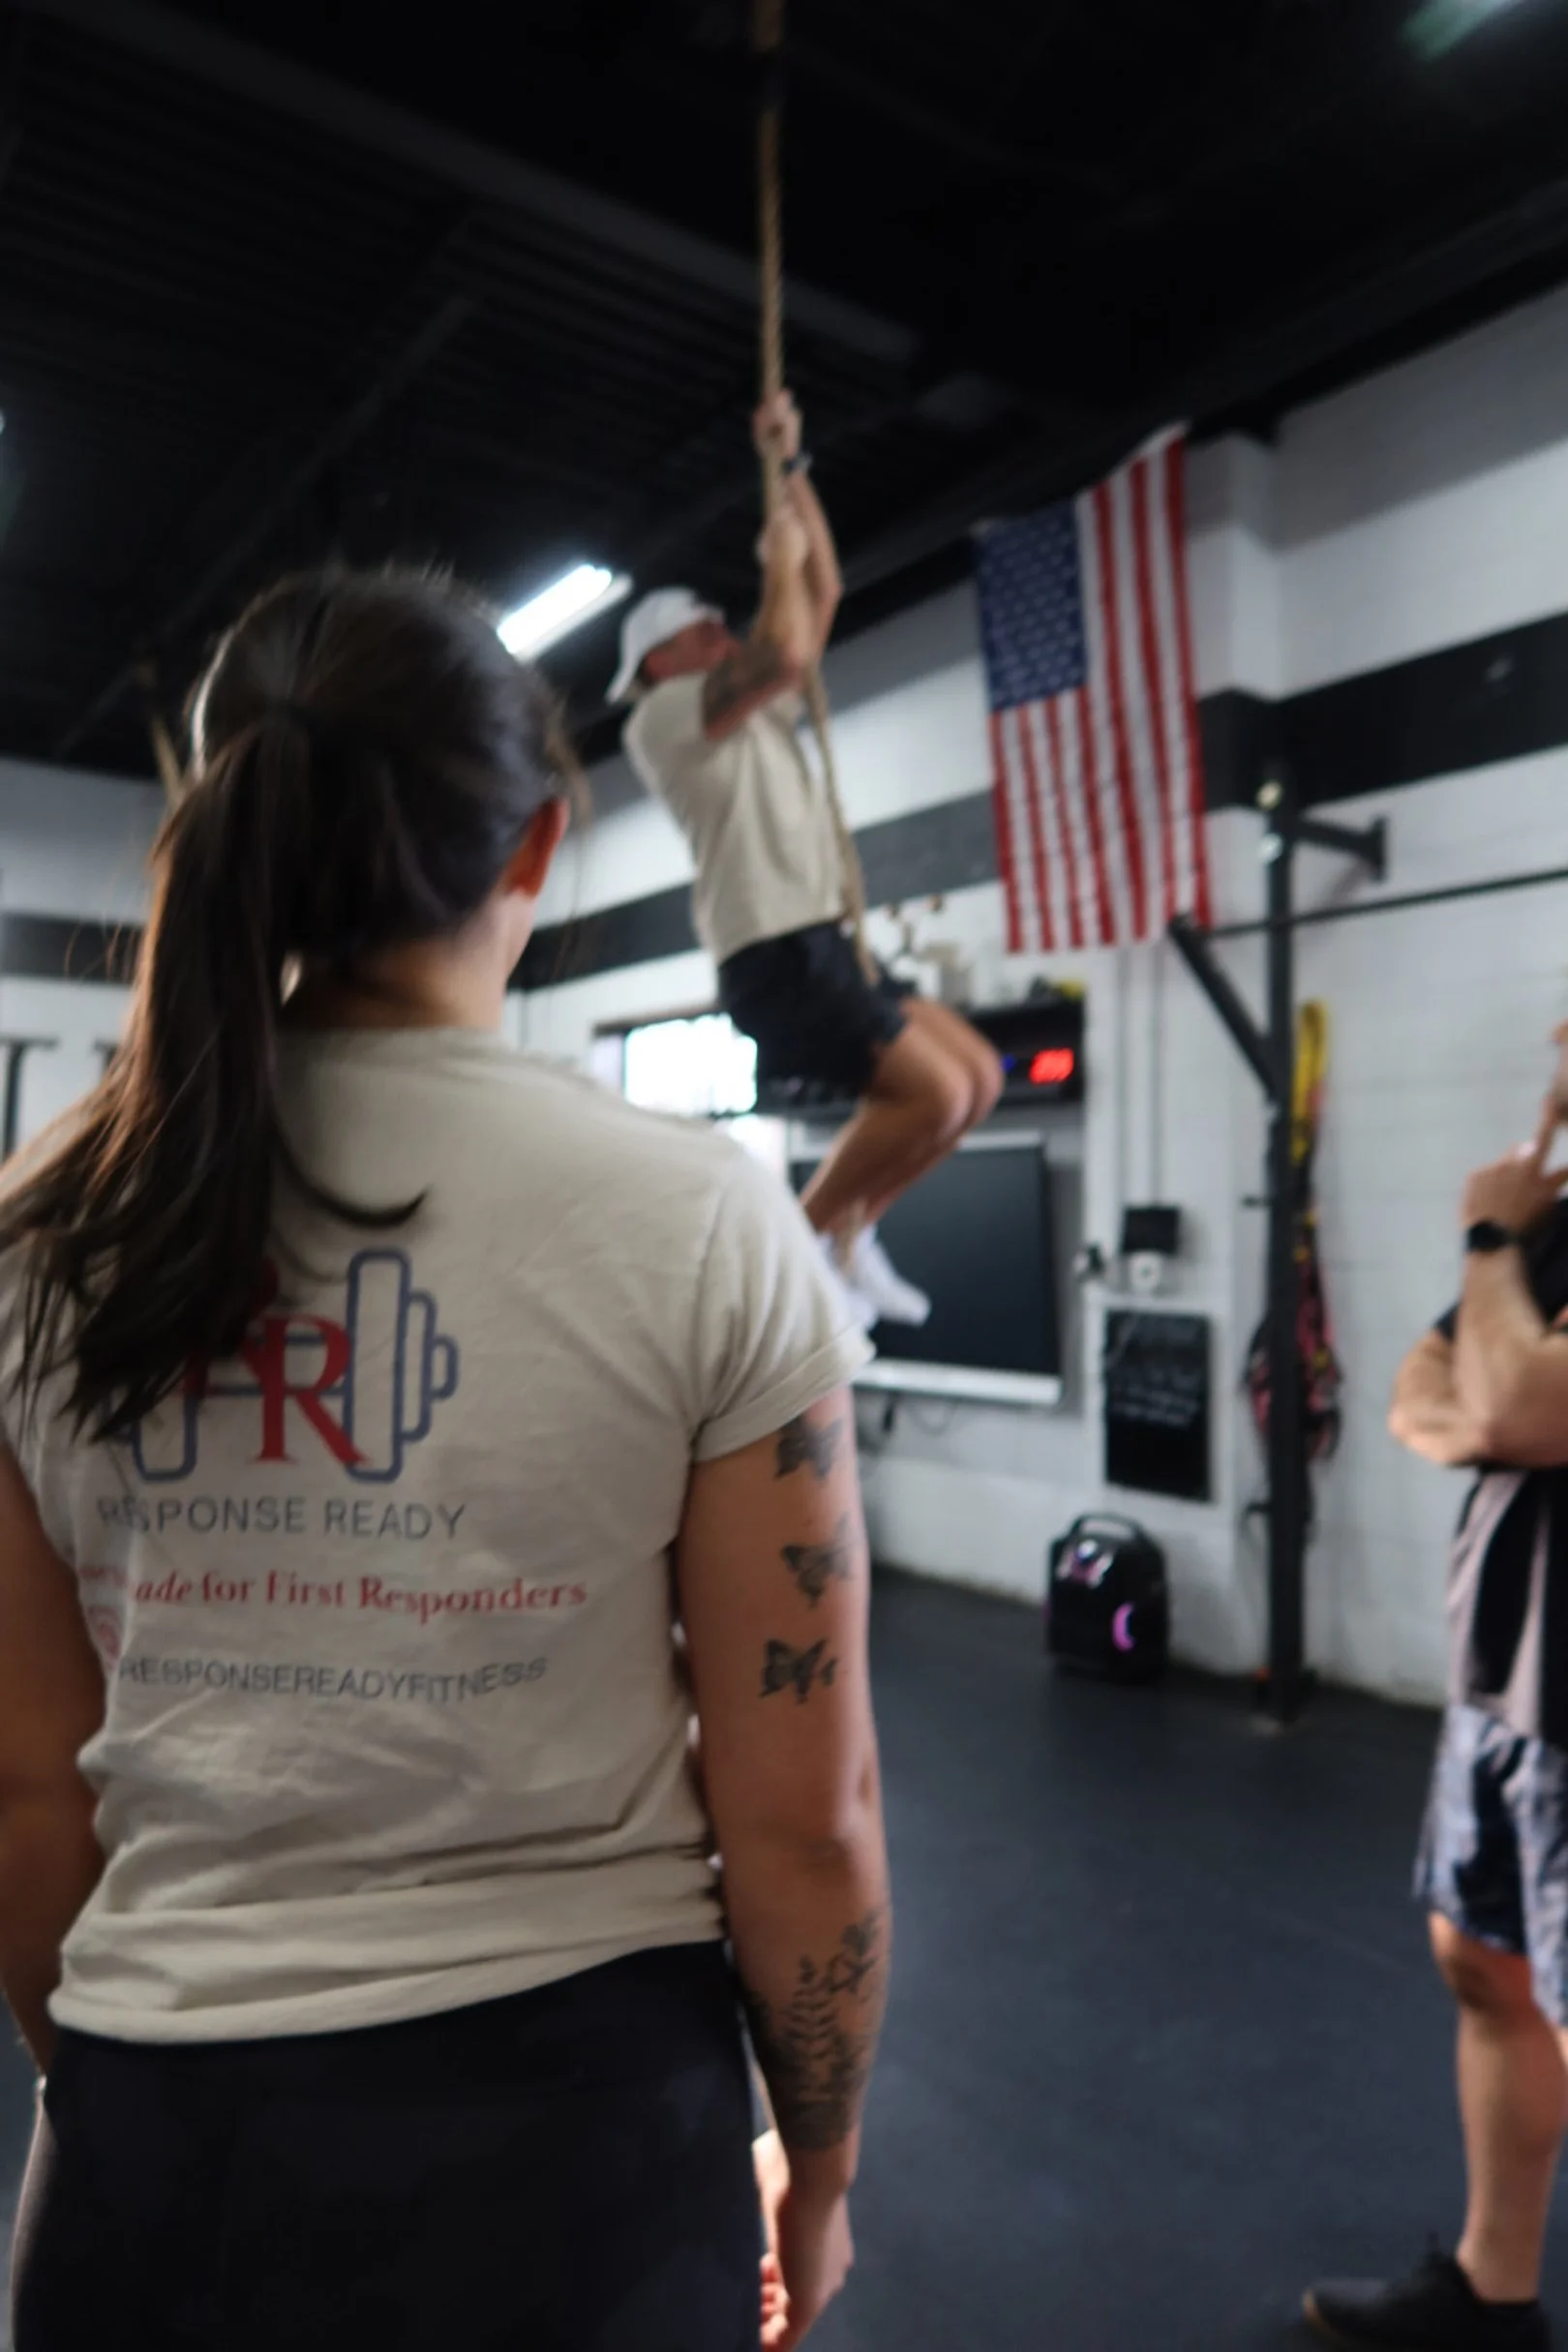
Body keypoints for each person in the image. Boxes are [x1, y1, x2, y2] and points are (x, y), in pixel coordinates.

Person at [0, 566, 890, 2352]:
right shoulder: (701, 1222)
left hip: (157, 2172)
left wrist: (113, 2089)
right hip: (585, 2182)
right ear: (538, 848)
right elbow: (806, 1818)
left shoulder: (35, 1238)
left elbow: (29, 1798)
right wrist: (823, 2165)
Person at [617, 388, 1004, 1332]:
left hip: (822, 935)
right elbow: (786, 648)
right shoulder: (663, 717)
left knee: (979, 1079)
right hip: (775, 950)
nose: (723, 634)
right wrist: (775, 561)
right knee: (934, 1092)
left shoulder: (744, 710)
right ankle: (804, 1255)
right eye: (703, 630)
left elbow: (818, 600)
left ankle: (850, 1231)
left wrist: (794, 474)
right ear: (658, 659)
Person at [1306, 1030, 1568, 2352]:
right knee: (1484, 1962)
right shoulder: (1553, 1235)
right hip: (1506, 1678)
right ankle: (1492, 2292)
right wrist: (1504, 1385)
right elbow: (1425, 1395)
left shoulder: (1512, 1232)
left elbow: (1517, 1393)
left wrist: (1485, 1239)